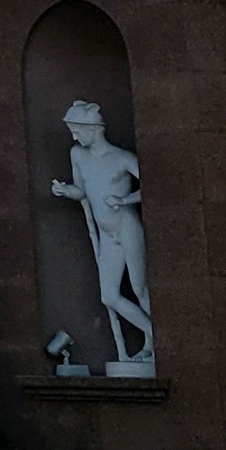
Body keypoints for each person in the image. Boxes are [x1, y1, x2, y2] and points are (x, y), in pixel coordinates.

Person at [52, 100, 156, 372]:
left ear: (94, 129)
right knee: (109, 295)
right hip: (107, 233)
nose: (74, 137)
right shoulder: (78, 154)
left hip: (126, 226)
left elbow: (155, 185)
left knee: (140, 288)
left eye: (77, 130)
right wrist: (66, 191)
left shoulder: (122, 158)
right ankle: (155, 332)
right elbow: (81, 190)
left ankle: (151, 344)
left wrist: (125, 200)